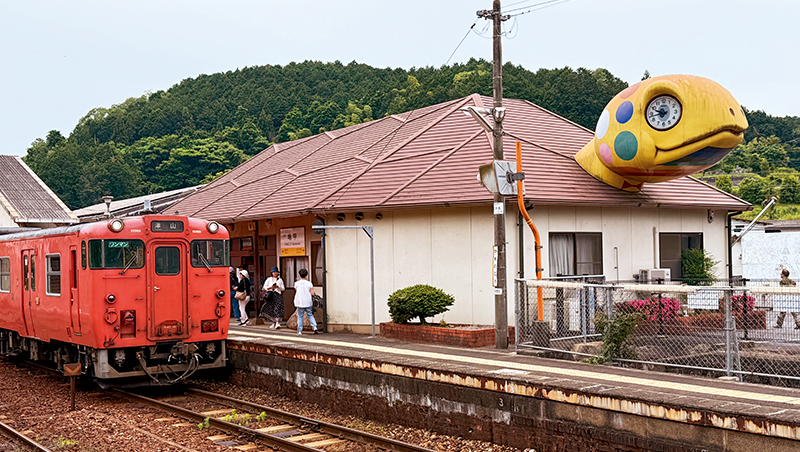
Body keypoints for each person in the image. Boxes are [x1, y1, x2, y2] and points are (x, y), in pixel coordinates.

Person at [294, 268, 318, 335]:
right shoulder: (309, 283)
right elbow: (312, 293)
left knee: (300, 316)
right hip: (308, 301)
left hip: (299, 301)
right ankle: (314, 326)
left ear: (299, 275)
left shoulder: (296, 283)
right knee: (310, 314)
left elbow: (296, 291)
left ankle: (299, 330)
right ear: (306, 275)